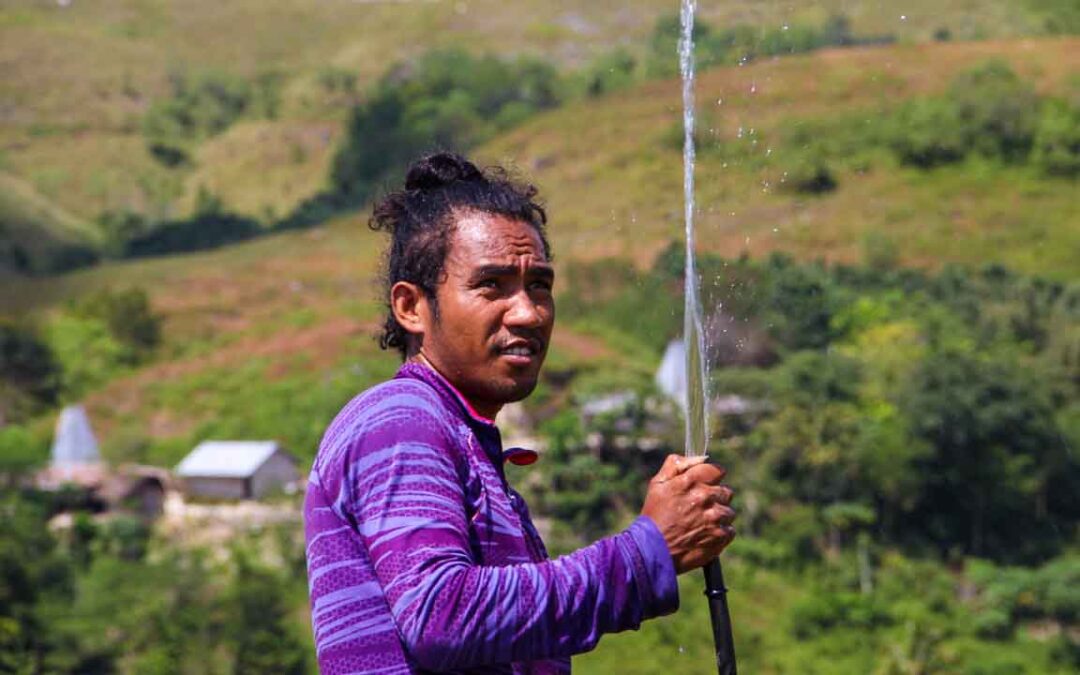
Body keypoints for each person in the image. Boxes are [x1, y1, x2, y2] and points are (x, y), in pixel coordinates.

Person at [303, 152, 736, 674]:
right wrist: (644, 554)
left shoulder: (464, 441)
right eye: (491, 284)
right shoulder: (401, 420)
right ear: (411, 307)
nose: (529, 312)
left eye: (540, 286)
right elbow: (443, 616)